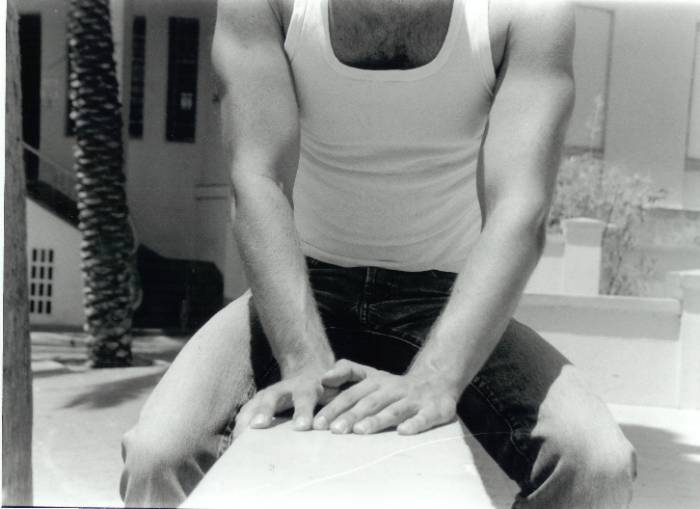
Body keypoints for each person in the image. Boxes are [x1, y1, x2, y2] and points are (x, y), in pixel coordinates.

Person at [120, 0, 637, 507]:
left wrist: (437, 377)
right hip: (308, 288)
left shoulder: (527, 12)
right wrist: (304, 362)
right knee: (157, 457)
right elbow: (258, 178)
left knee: (597, 468)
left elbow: (519, 209)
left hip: (445, 297)